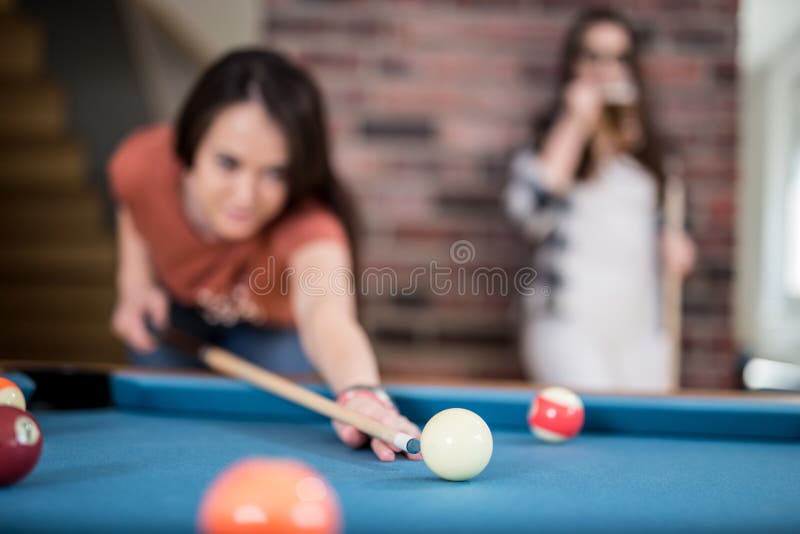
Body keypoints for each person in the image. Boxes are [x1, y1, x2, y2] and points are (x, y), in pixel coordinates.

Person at [108, 49, 419, 461]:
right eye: (228, 163)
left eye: (274, 173)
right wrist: (134, 284)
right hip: (178, 320)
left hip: (273, 335)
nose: (245, 196)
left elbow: (327, 315)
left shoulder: (310, 224)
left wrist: (361, 391)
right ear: (189, 150)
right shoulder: (144, 161)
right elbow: (132, 202)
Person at [504, 9, 696, 392]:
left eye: (617, 58)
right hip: (568, 325)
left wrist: (679, 247)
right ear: (573, 64)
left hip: (640, 331)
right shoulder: (547, 146)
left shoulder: (656, 159)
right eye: (592, 55)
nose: (604, 69)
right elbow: (531, 217)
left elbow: (675, 234)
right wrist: (576, 123)